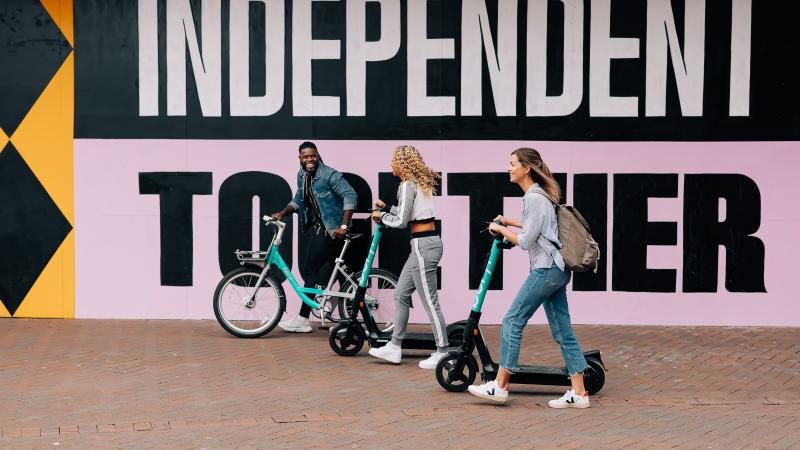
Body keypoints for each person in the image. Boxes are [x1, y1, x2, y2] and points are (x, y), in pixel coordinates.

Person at [467, 147, 590, 408]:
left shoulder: (534, 198)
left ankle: (500, 386)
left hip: (546, 270)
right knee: (562, 331)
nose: (508, 168)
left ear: (527, 168)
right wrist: (510, 222)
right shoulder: (540, 196)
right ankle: (579, 393)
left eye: (512, 163)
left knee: (512, 320)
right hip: (557, 270)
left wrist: (499, 228)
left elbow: (525, 242)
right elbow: (541, 229)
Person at [368, 145, 448, 369]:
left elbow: (401, 222)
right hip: (423, 244)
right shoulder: (416, 184)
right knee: (401, 293)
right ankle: (394, 347)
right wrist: (388, 209)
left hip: (424, 245)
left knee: (430, 302)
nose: (391, 164)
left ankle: (443, 351)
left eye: (393, 160)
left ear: (401, 164)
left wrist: (381, 216)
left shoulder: (406, 185)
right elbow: (411, 215)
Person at [271, 142, 357, 332]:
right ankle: (348, 320)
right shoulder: (302, 175)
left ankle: (303, 318)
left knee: (311, 268)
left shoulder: (329, 175)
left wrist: (343, 226)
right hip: (319, 229)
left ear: (318, 156)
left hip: (333, 231)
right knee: (341, 272)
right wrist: (283, 212)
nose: (310, 160)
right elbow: (299, 200)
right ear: (300, 158)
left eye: (313, 156)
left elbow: (350, 195)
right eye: (306, 156)